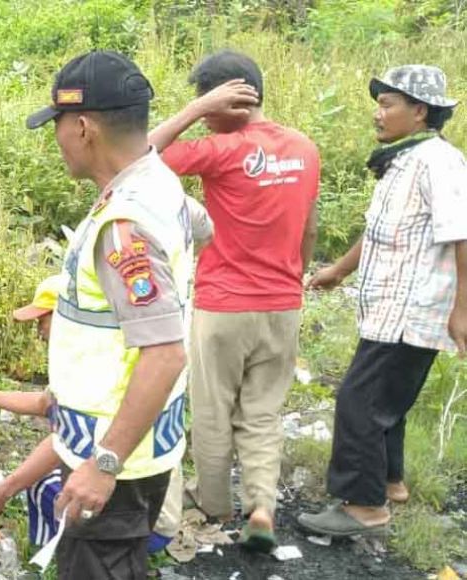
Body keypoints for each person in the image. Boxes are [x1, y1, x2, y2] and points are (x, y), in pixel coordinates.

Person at [27, 51, 199, 579]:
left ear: (83, 128)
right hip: (140, 444)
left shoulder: (124, 225)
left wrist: (104, 464)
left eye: (57, 125)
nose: (56, 139)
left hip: (114, 460)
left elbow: (164, 354)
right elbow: (205, 230)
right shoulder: (158, 186)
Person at [148, 50, 321, 551]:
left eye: (206, 100)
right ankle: (262, 506)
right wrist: (294, 279)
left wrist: (194, 112)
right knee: (263, 412)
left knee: (213, 409)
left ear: (228, 98)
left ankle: (216, 503)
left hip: (224, 305)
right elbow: (310, 227)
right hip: (283, 304)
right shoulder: (304, 148)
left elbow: (140, 158)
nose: (204, 113)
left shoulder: (219, 150)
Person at [299, 65, 467, 537]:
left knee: (359, 402)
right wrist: (338, 270)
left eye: (387, 104)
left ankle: (364, 507)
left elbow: (462, 234)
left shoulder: (439, 162)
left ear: (420, 111)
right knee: (387, 399)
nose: (378, 113)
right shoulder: (404, 159)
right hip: (389, 309)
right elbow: (380, 232)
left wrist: (462, 310)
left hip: (411, 311)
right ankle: (390, 483)